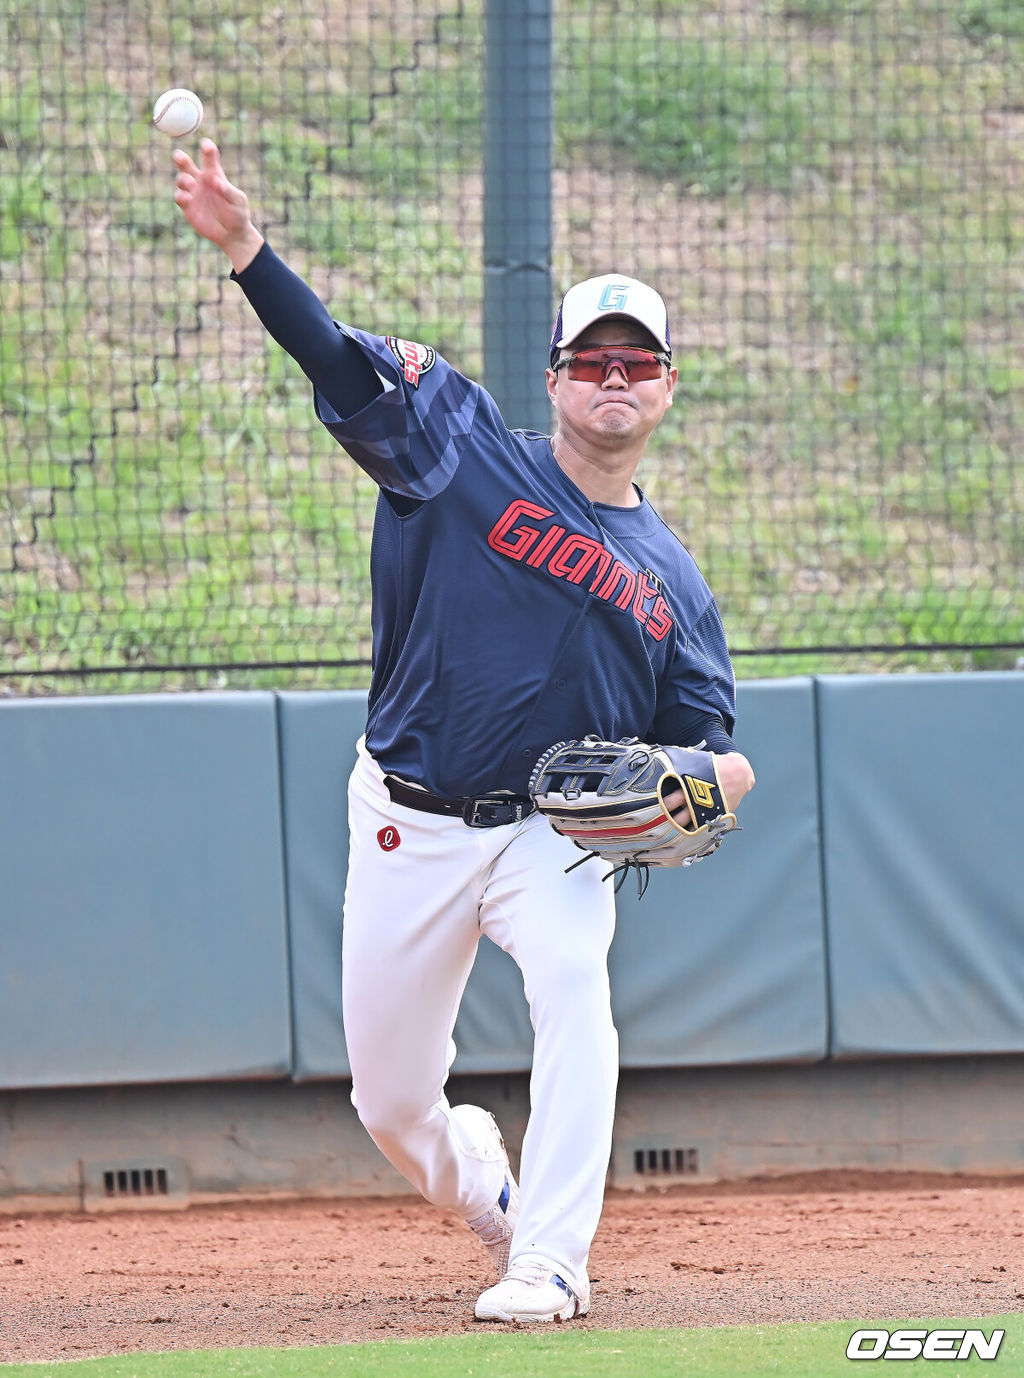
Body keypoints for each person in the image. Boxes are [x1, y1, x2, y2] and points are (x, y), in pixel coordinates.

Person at [172, 138, 755, 1324]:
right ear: (555, 381)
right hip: (410, 816)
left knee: (575, 992)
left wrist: (708, 783)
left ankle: (549, 1259)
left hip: (553, 833)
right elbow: (339, 365)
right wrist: (247, 251)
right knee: (389, 1102)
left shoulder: (675, 583)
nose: (613, 376)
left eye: (635, 361)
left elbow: (717, 744)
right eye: (592, 358)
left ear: (665, 388)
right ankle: (481, 1184)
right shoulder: (460, 456)